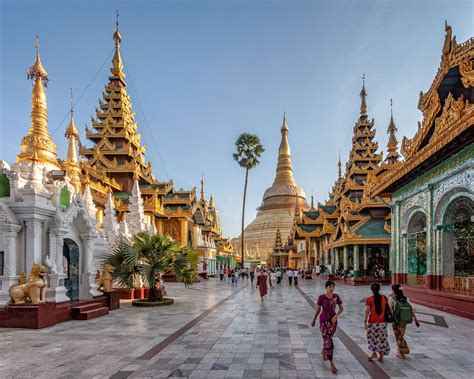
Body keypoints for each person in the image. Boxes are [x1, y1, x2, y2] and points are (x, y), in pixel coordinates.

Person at [311, 280, 343, 374]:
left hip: (333, 322)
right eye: (330, 287)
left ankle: (324, 351)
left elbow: (342, 308)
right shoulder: (321, 297)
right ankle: (331, 363)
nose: (332, 289)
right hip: (323, 321)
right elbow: (318, 310)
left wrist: (336, 316)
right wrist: (314, 319)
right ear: (326, 287)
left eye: (333, 287)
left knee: (327, 339)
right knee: (328, 340)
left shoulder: (336, 297)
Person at [389, 283, 420, 359]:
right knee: (401, 335)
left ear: (393, 290)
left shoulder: (391, 298)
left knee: (399, 337)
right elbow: (411, 310)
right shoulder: (406, 298)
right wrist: (416, 320)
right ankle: (399, 351)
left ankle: (403, 352)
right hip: (404, 321)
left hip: (396, 321)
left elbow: (390, 309)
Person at [364, 282, 390, 362]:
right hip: (382, 323)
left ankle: (374, 353)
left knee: (372, 339)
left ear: (371, 289)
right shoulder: (384, 298)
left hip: (373, 323)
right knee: (381, 338)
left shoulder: (369, 299)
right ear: (379, 289)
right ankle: (381, 356)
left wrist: (365, 321)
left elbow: (367, 311)